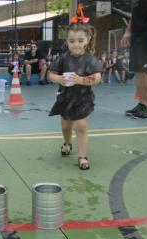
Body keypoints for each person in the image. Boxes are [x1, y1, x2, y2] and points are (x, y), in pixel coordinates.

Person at [48, 21, 102, 170]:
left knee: (81, 126)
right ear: (67, 41)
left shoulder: (91, 60)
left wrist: (81, 80)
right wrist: (58, 79)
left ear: (88, 40)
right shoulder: (63, 58)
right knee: (66, 126)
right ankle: (67, 142)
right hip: (65, 99)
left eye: (80, 40)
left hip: (83, 99)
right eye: (71, 41)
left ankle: (82, 156)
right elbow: (50, 74)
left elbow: (97, 78)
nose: (76, 44)